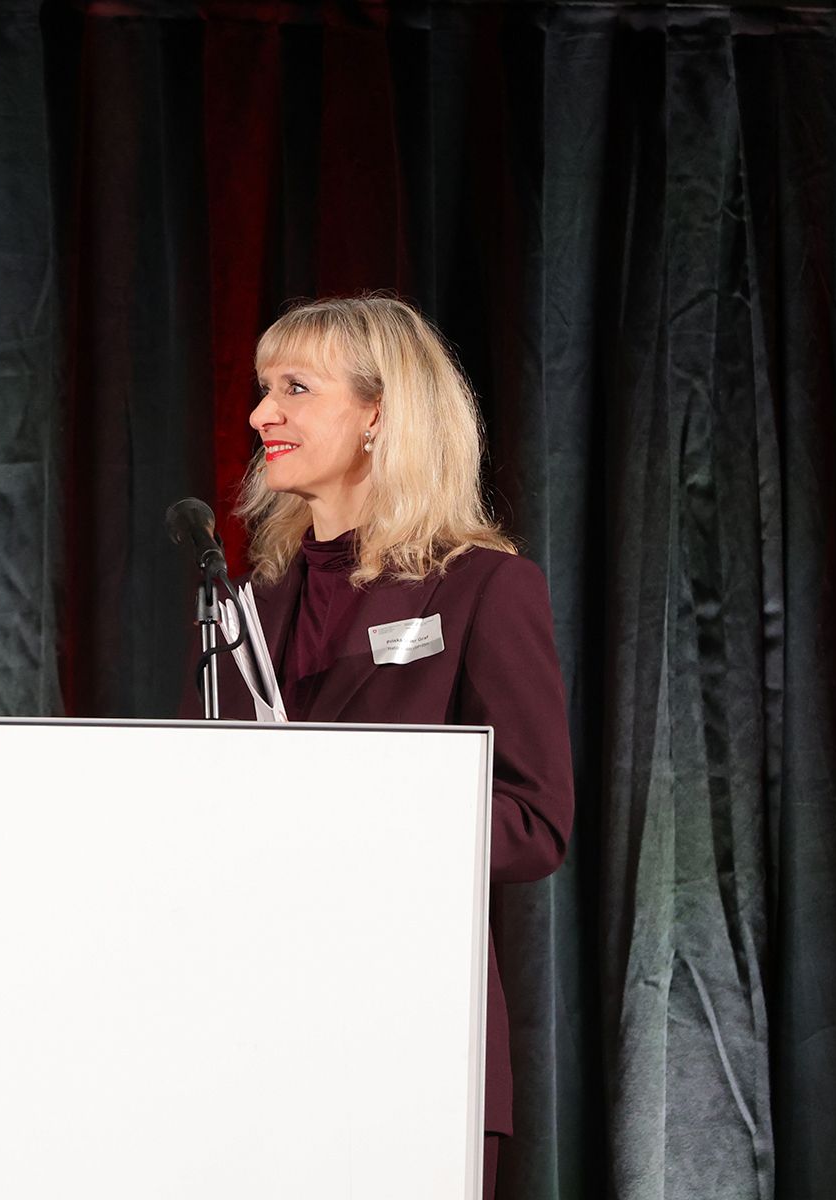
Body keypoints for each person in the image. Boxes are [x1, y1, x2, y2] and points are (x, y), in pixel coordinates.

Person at [204, 295, 574, 1199]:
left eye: (295, 388)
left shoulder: (485, 587)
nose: (261, 416)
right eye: (262, 390)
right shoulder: (243, 608)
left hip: (411, 1038)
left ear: (379, 414)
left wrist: (357, 806)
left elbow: (534, 822)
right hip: (254, 1045)